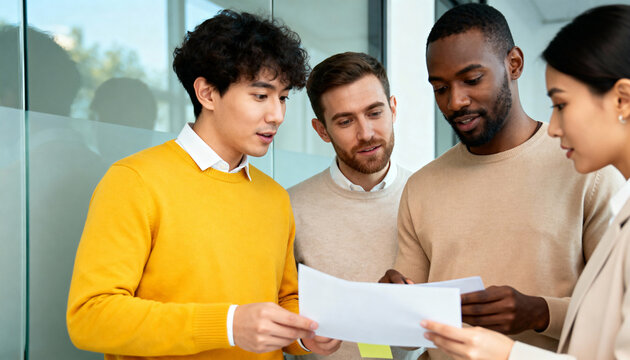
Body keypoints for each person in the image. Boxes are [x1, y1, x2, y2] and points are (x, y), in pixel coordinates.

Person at [66, 10, 340, 360]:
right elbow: (91, 317)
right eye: (261, 96)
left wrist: (304, 336)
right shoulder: (134, 181)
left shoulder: (273, 196)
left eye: (283, 97)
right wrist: (227, 324)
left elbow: (283, 300)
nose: (277, 115)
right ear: (207, 93)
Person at [379, 3, 623, 359]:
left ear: (514, 64)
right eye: (440, 88)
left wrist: (540, 312)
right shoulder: (421, 187)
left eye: (472, 80)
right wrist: (390, 307)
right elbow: (404, 338)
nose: (455, 101)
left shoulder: (590, 170)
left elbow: (616, 318)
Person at [287, 52, 414, 360]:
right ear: (321, 131)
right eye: (345, 121)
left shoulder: (427, 197)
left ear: (393, 109)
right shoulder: (290, 207)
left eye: (374, 113)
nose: (366, 133)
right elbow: (280, 308)